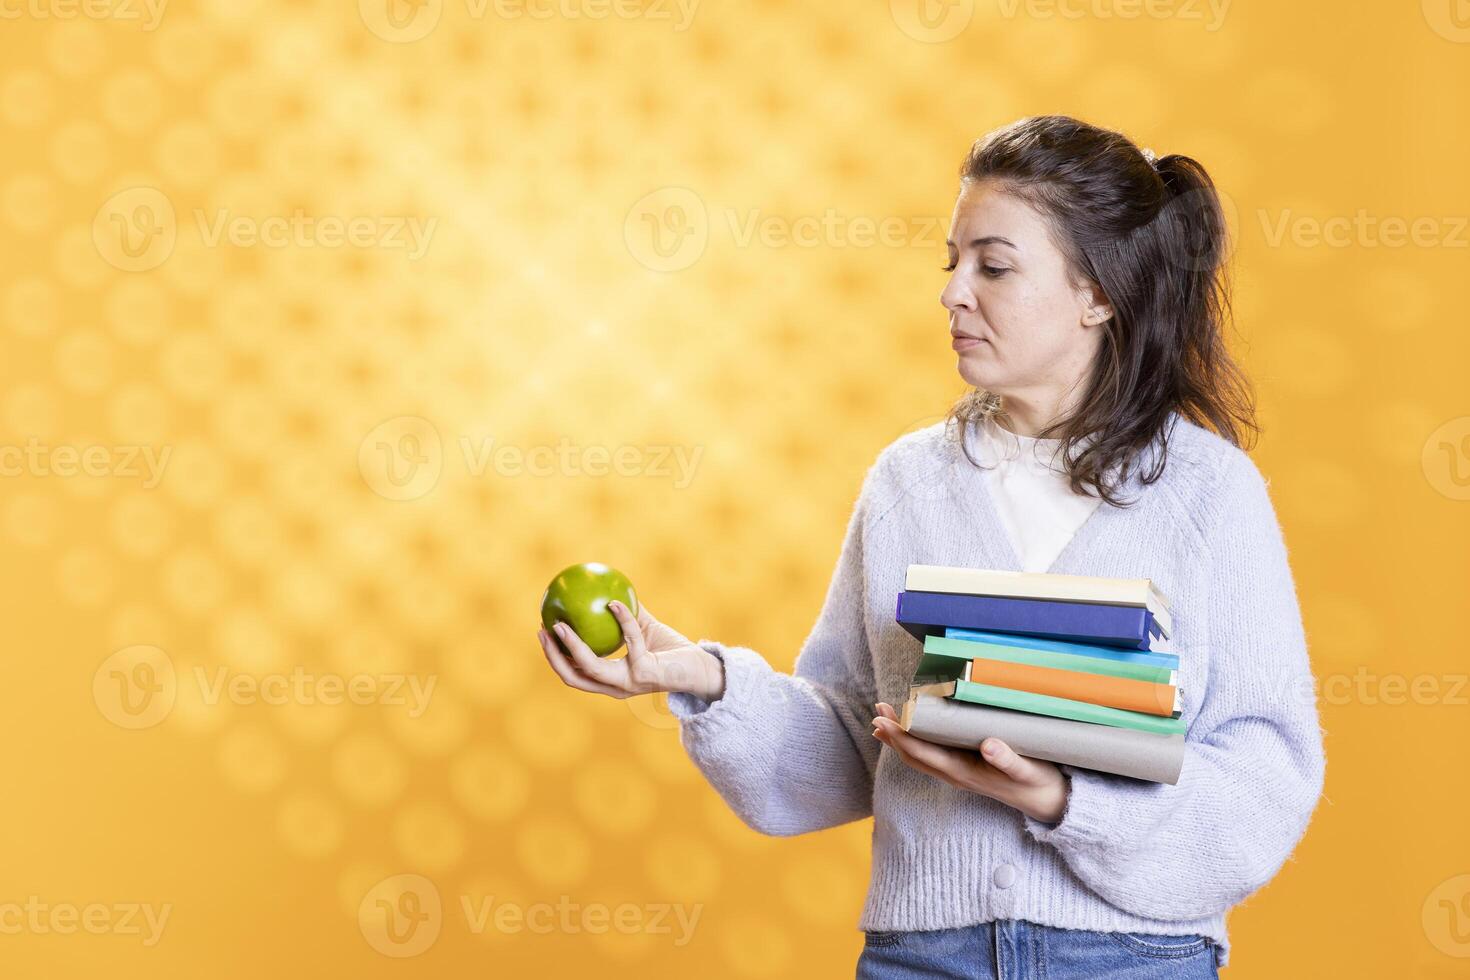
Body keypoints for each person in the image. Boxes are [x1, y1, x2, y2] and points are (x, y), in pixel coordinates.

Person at [536, 114, 1325, 978]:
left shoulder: (1208, 494)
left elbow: (1264, 778)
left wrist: (1064, 801)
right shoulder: (907, 482)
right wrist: (700, 678)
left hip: (1133, 958)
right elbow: (851, 743)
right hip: (924, 958)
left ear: (1098, 294)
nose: (953, 293)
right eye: (953, 265)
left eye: (994, 265)